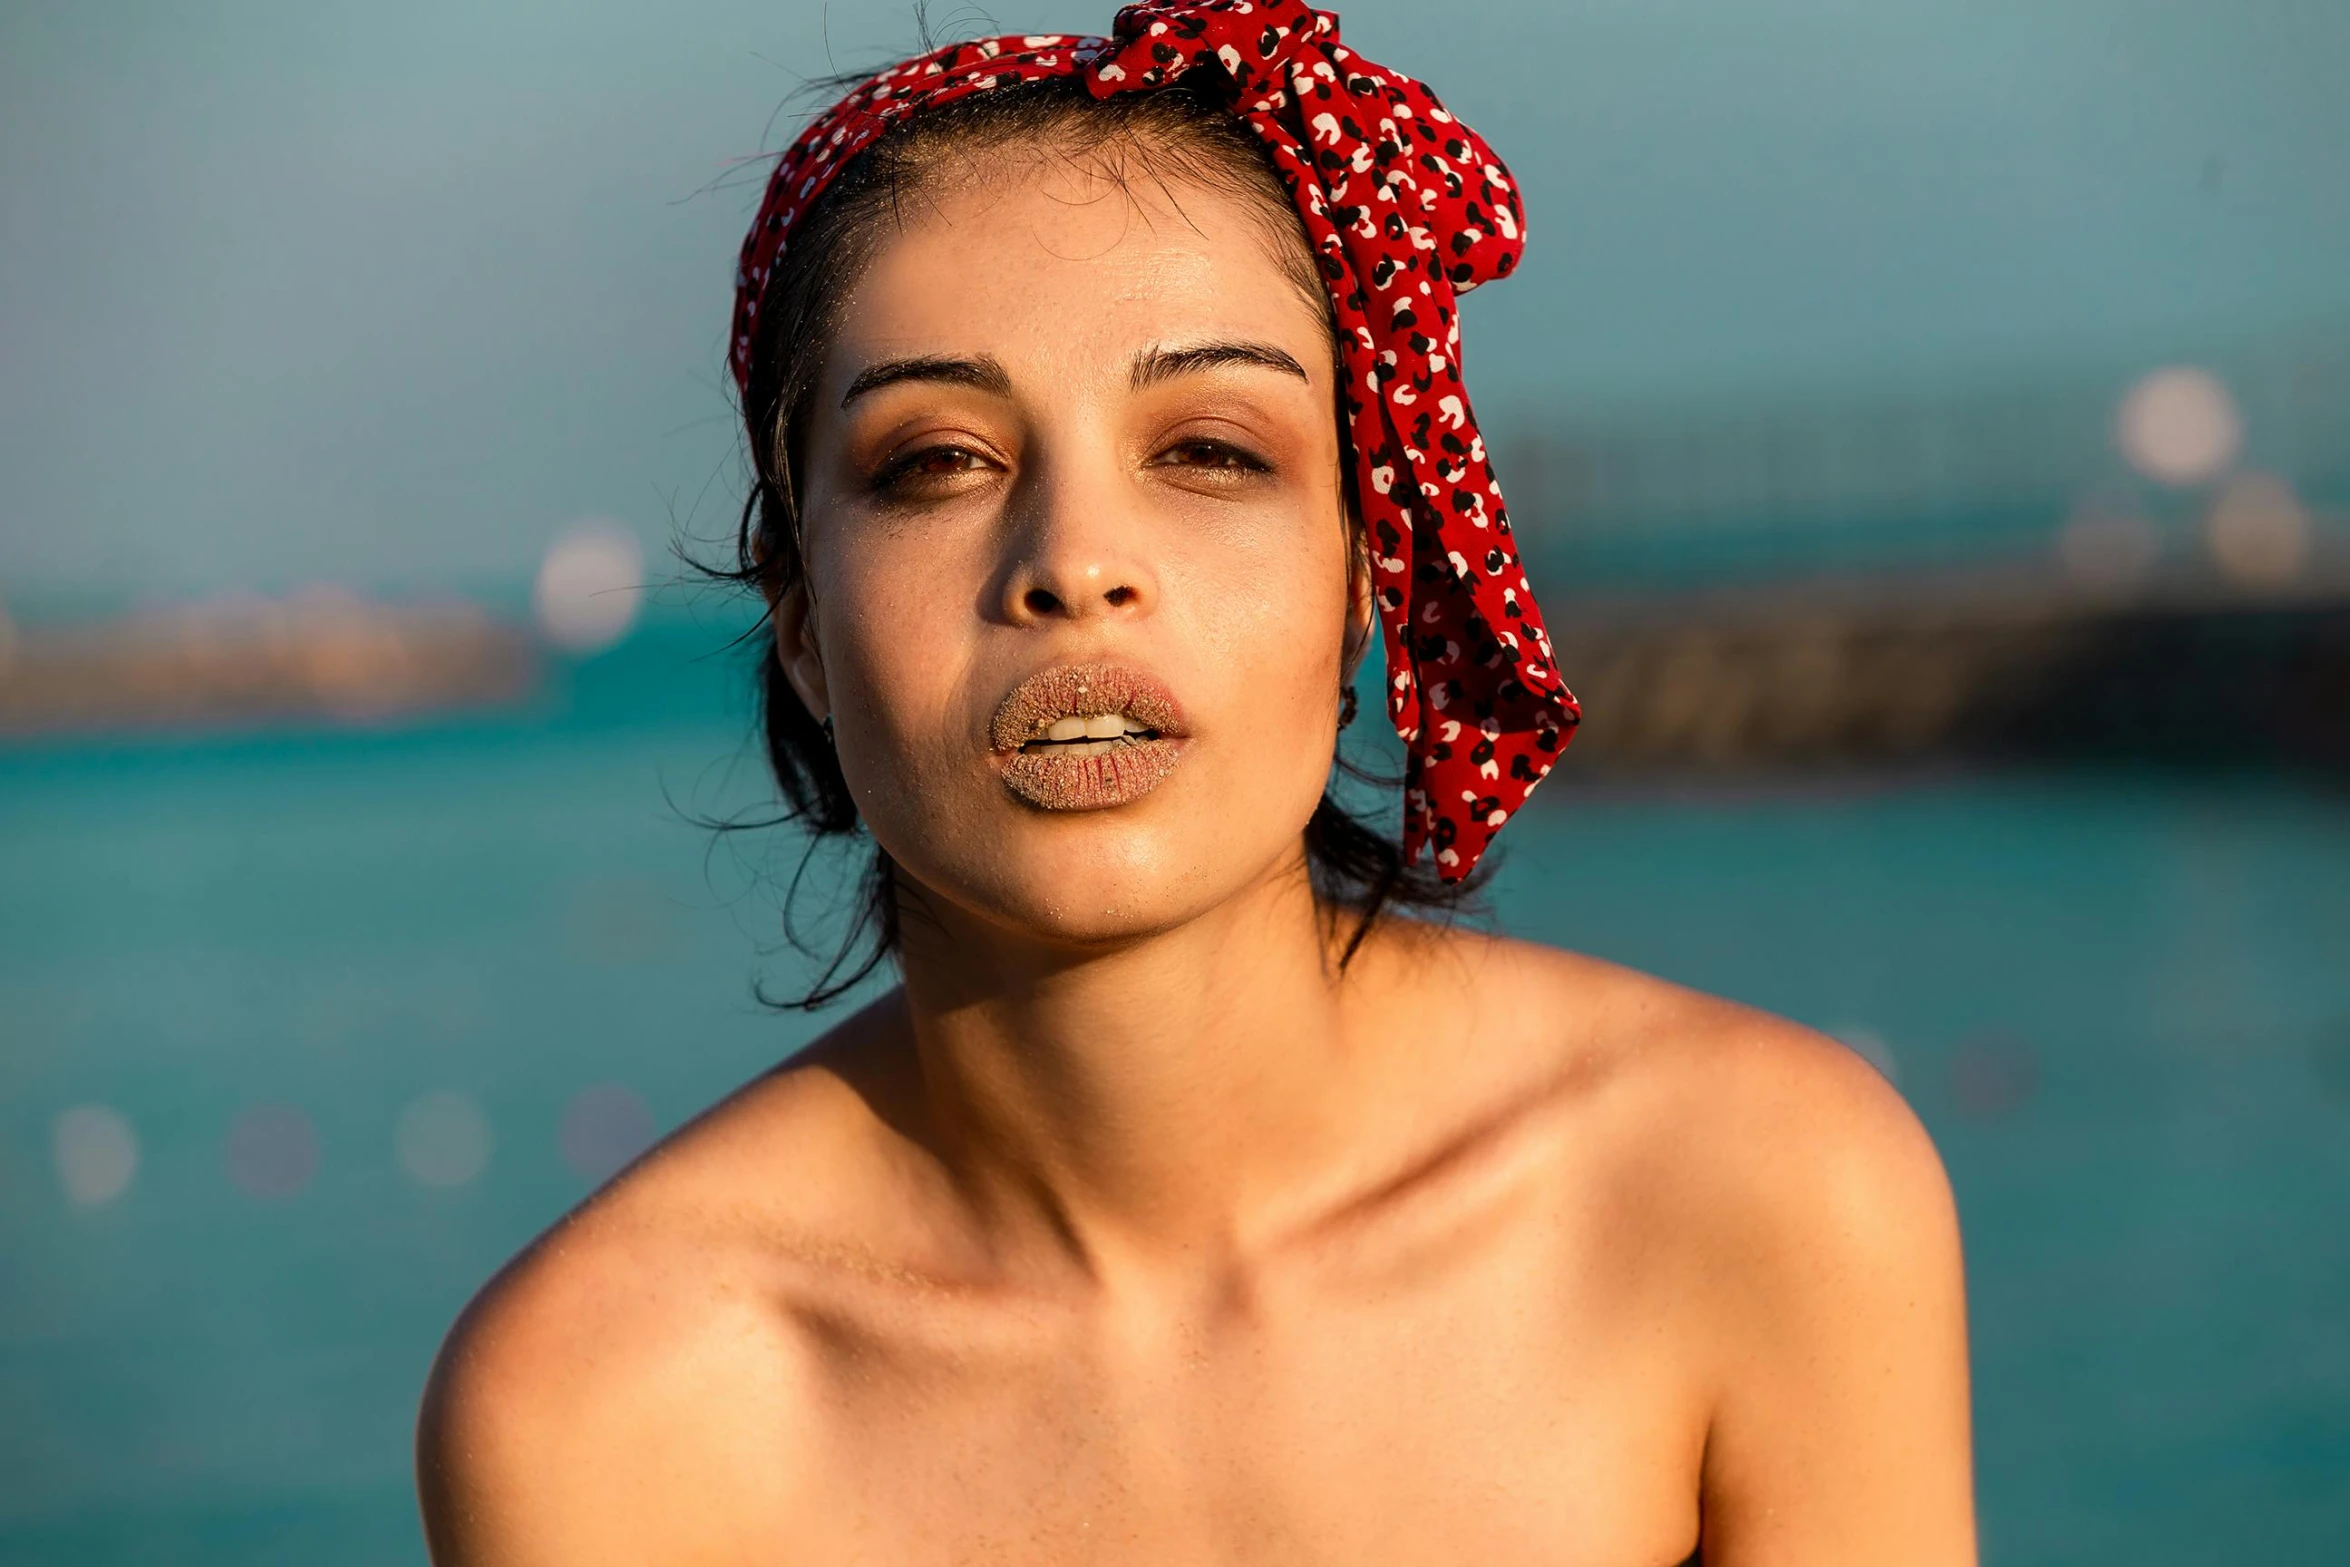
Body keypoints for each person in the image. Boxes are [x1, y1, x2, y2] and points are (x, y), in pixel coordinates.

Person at [416, 5, 1975, 1562]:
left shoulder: (1756, 1192)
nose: (1076, 563)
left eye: (1212, 450)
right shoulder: (602, 1406)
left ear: (1369, 569)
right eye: (934, 462)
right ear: (800, 620)